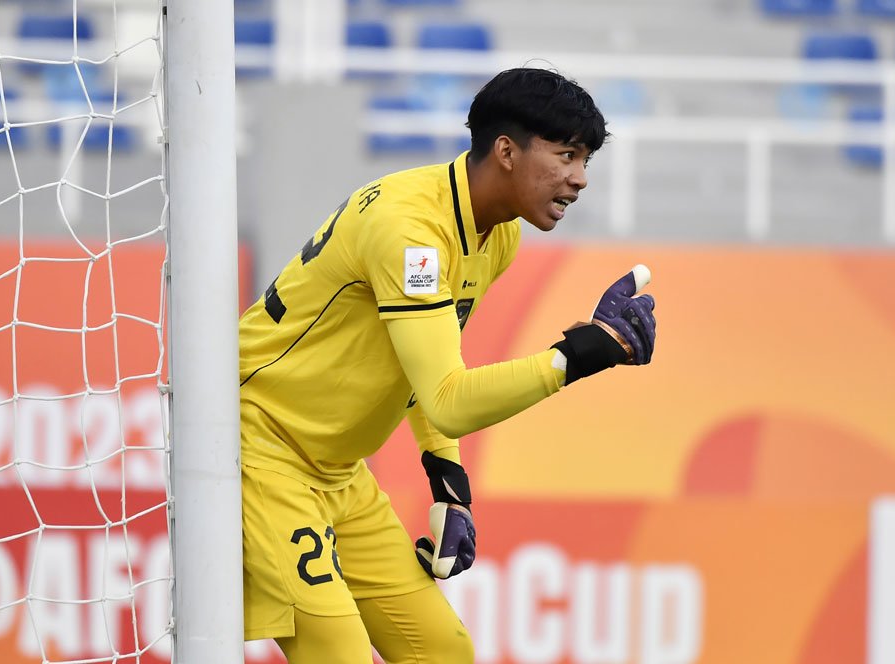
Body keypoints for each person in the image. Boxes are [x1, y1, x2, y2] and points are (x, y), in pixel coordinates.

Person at [239, 67, 656, 663]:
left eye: (585, 159)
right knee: (339, 655)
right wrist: (579, 354)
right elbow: (449, 398)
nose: (580, 178)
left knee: (444, 652)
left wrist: (449, 487)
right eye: (566, 155)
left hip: (337, 472)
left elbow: (426, 367)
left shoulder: (497, 235)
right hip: (260, 450)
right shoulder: (412, 230)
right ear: (506, 152)